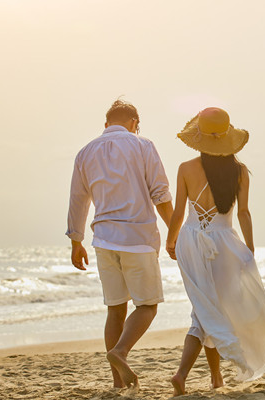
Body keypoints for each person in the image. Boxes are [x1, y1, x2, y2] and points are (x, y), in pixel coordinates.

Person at [166, 107, 265, 396]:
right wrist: (249, 248)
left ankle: (214, 377)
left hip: (190, 241)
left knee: (205, 308)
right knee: (209, 310)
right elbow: (243, 213)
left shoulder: (185, 168)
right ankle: (184, 374)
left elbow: (178, 212)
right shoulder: (240, 172)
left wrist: (170, 241)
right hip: (223, 244)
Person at [66, 99, 173, 390]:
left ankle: (117, 383)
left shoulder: (85, 152)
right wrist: (175, 232)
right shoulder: (143, 145)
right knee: (148, 305)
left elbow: (78, 199)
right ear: (134, 124)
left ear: (106, 124)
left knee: (115, 309)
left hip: (103, 239)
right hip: (137, 238)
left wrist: (76, 242)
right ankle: (120, 352)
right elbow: (160, 193)